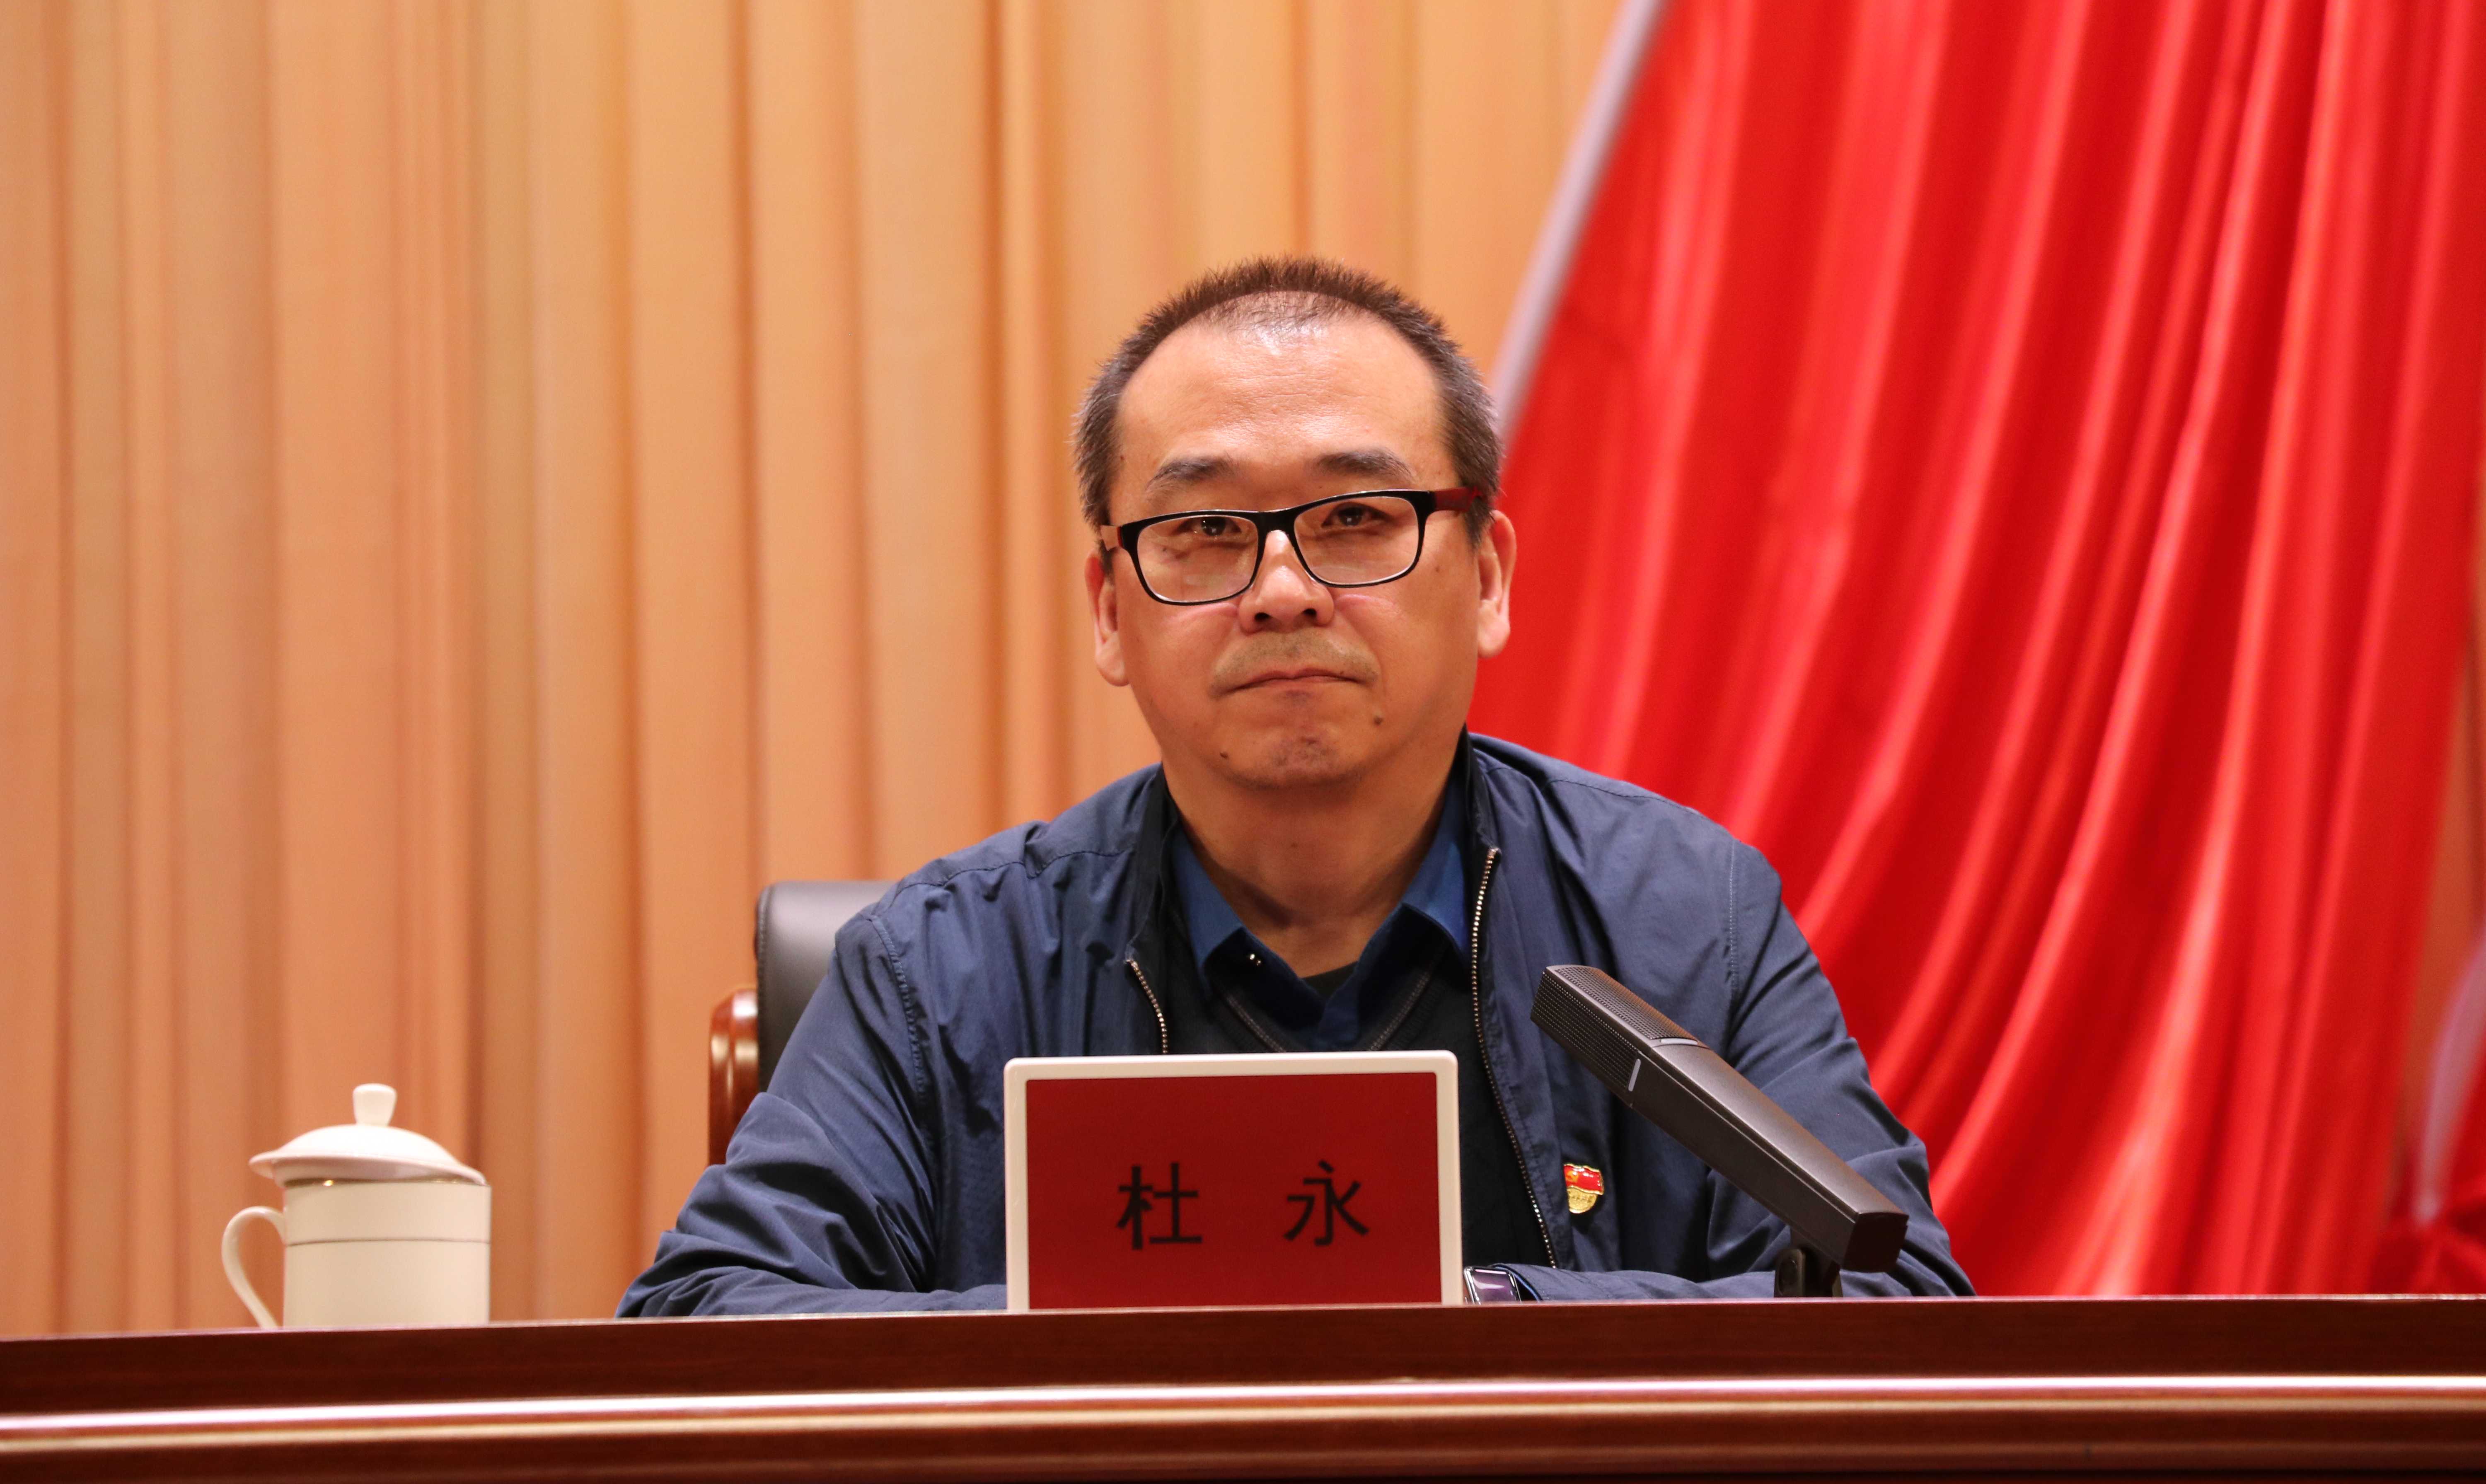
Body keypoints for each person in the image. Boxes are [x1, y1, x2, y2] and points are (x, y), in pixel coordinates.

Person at [621, 257, 1971, 1312]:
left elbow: (1893, 1294)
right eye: (1206, 530)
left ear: (1488, 577)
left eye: (1356, 520)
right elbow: (709, 1314)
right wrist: (1126, 1331)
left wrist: (1469, 1315)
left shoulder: (1681, 919)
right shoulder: (947, 966)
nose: (1281, 591)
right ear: (1110, 610)